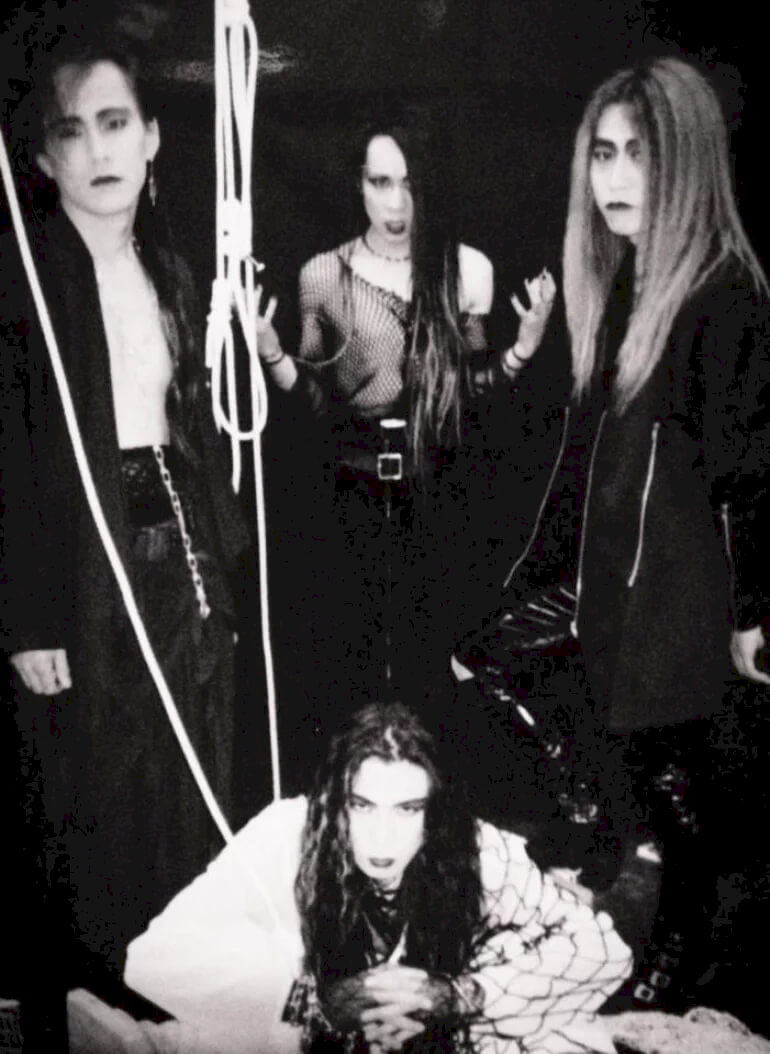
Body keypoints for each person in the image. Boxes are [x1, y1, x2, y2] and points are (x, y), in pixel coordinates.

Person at [456, 55, 770, 1002]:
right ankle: (598, 827)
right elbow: (584, 459)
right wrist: (537, 573)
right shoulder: (621, 278)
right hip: (609, 576)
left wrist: (753, 608)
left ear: (687, 161)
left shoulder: (724, 293)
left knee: (678, 785)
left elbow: (748, 464)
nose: (617, 176)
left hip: (679, 588)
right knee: (490, 660)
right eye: (604, 153)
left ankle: (678, 950)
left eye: (641, 153)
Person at [0, 26, 250, 1015]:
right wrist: (26, 616)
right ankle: (96, 1005)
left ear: (151, 137)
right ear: (42, 156)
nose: (98, 150)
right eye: (73, 131)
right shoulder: (23, 287)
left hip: (181, 551)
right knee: (98, 786)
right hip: (81, 567)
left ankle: (179, 1001)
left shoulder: (172, 265)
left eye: (115, 123)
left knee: (192, 764)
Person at [254, 110, 557, 723]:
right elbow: (315, 403)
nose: (396, 203)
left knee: (431, 666)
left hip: (437, 494)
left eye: (409, 183)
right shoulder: (323, 274)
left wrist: (523, 348)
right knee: (349, 664)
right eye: (380, 182)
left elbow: (469, 394)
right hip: (348, 495)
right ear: (359, 184)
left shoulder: (465, 269)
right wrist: (272, 355)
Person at [124, 701, 632, 1054]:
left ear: (435, 811)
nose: (382, 839)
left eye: (408, 809)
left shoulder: (477, 849)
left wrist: (461, 996)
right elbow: (152, 960)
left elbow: (603, 951)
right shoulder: (285, 834)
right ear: (333, 800)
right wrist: (311, 1004)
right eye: (362, 806)